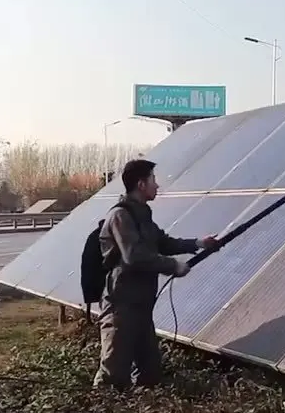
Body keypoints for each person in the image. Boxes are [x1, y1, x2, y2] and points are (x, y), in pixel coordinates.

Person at [92, 158, 218, 390]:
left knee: (149, 372)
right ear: (141, 184)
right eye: (153, 180)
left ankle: (142, 401)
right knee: (114, 375)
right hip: (122, 306)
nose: (157, 185)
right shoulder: (121, 216)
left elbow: (163, 242)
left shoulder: (142, 215)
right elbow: (134, 256)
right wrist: (173, 266)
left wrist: (198, 243)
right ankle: (104, 403)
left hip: (141, 305)